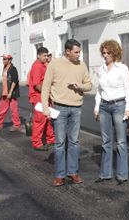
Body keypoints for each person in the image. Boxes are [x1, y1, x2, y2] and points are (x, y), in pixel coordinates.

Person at [41, 39, 92, 187]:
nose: (79, 55)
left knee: (74, 142)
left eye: (79, 52)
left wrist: (81, 86)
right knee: (60, 143)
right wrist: (45, 108)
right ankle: (59, 175)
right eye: (76, 52)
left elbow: (89, 85)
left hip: (76, 108)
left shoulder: (82, 65)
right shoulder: (55, 64)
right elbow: (46, 87)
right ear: (67, 51)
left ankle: (73, 172)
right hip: (59, 108)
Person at [93, 40, 129, 185]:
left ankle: (122, 175)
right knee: (106, 141)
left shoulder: (122, 68)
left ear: (115, 52)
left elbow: (128, 89)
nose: (105, 55)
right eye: (103, 52)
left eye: (108, 52)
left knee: (121, 142)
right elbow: (99, 90)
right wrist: (97, 107)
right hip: (104, 107)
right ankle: (105, 174)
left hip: (119, 106)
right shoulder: (101, 69)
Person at [29, 47, 54, 151]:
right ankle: (37, 143)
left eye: (47, 55)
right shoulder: (37, 66)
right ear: (38, 55)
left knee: (47, 118)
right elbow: (36, 84)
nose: (46, 57)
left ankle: (51, 139)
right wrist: (46, 94)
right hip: (38, 97)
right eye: (44, 55)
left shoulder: (41, 65)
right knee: (40, 120)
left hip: (42, 97)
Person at [0, 54, 21, 131]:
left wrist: (10, 92)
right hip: (4, 93)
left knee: (14, 109)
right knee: (1, 109)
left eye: (5, 59)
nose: (3, 61)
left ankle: (16, 125)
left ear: (9, 60)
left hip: (11, 93)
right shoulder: (5, 68)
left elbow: (14, 81)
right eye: (3, 59)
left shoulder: (13, 69)